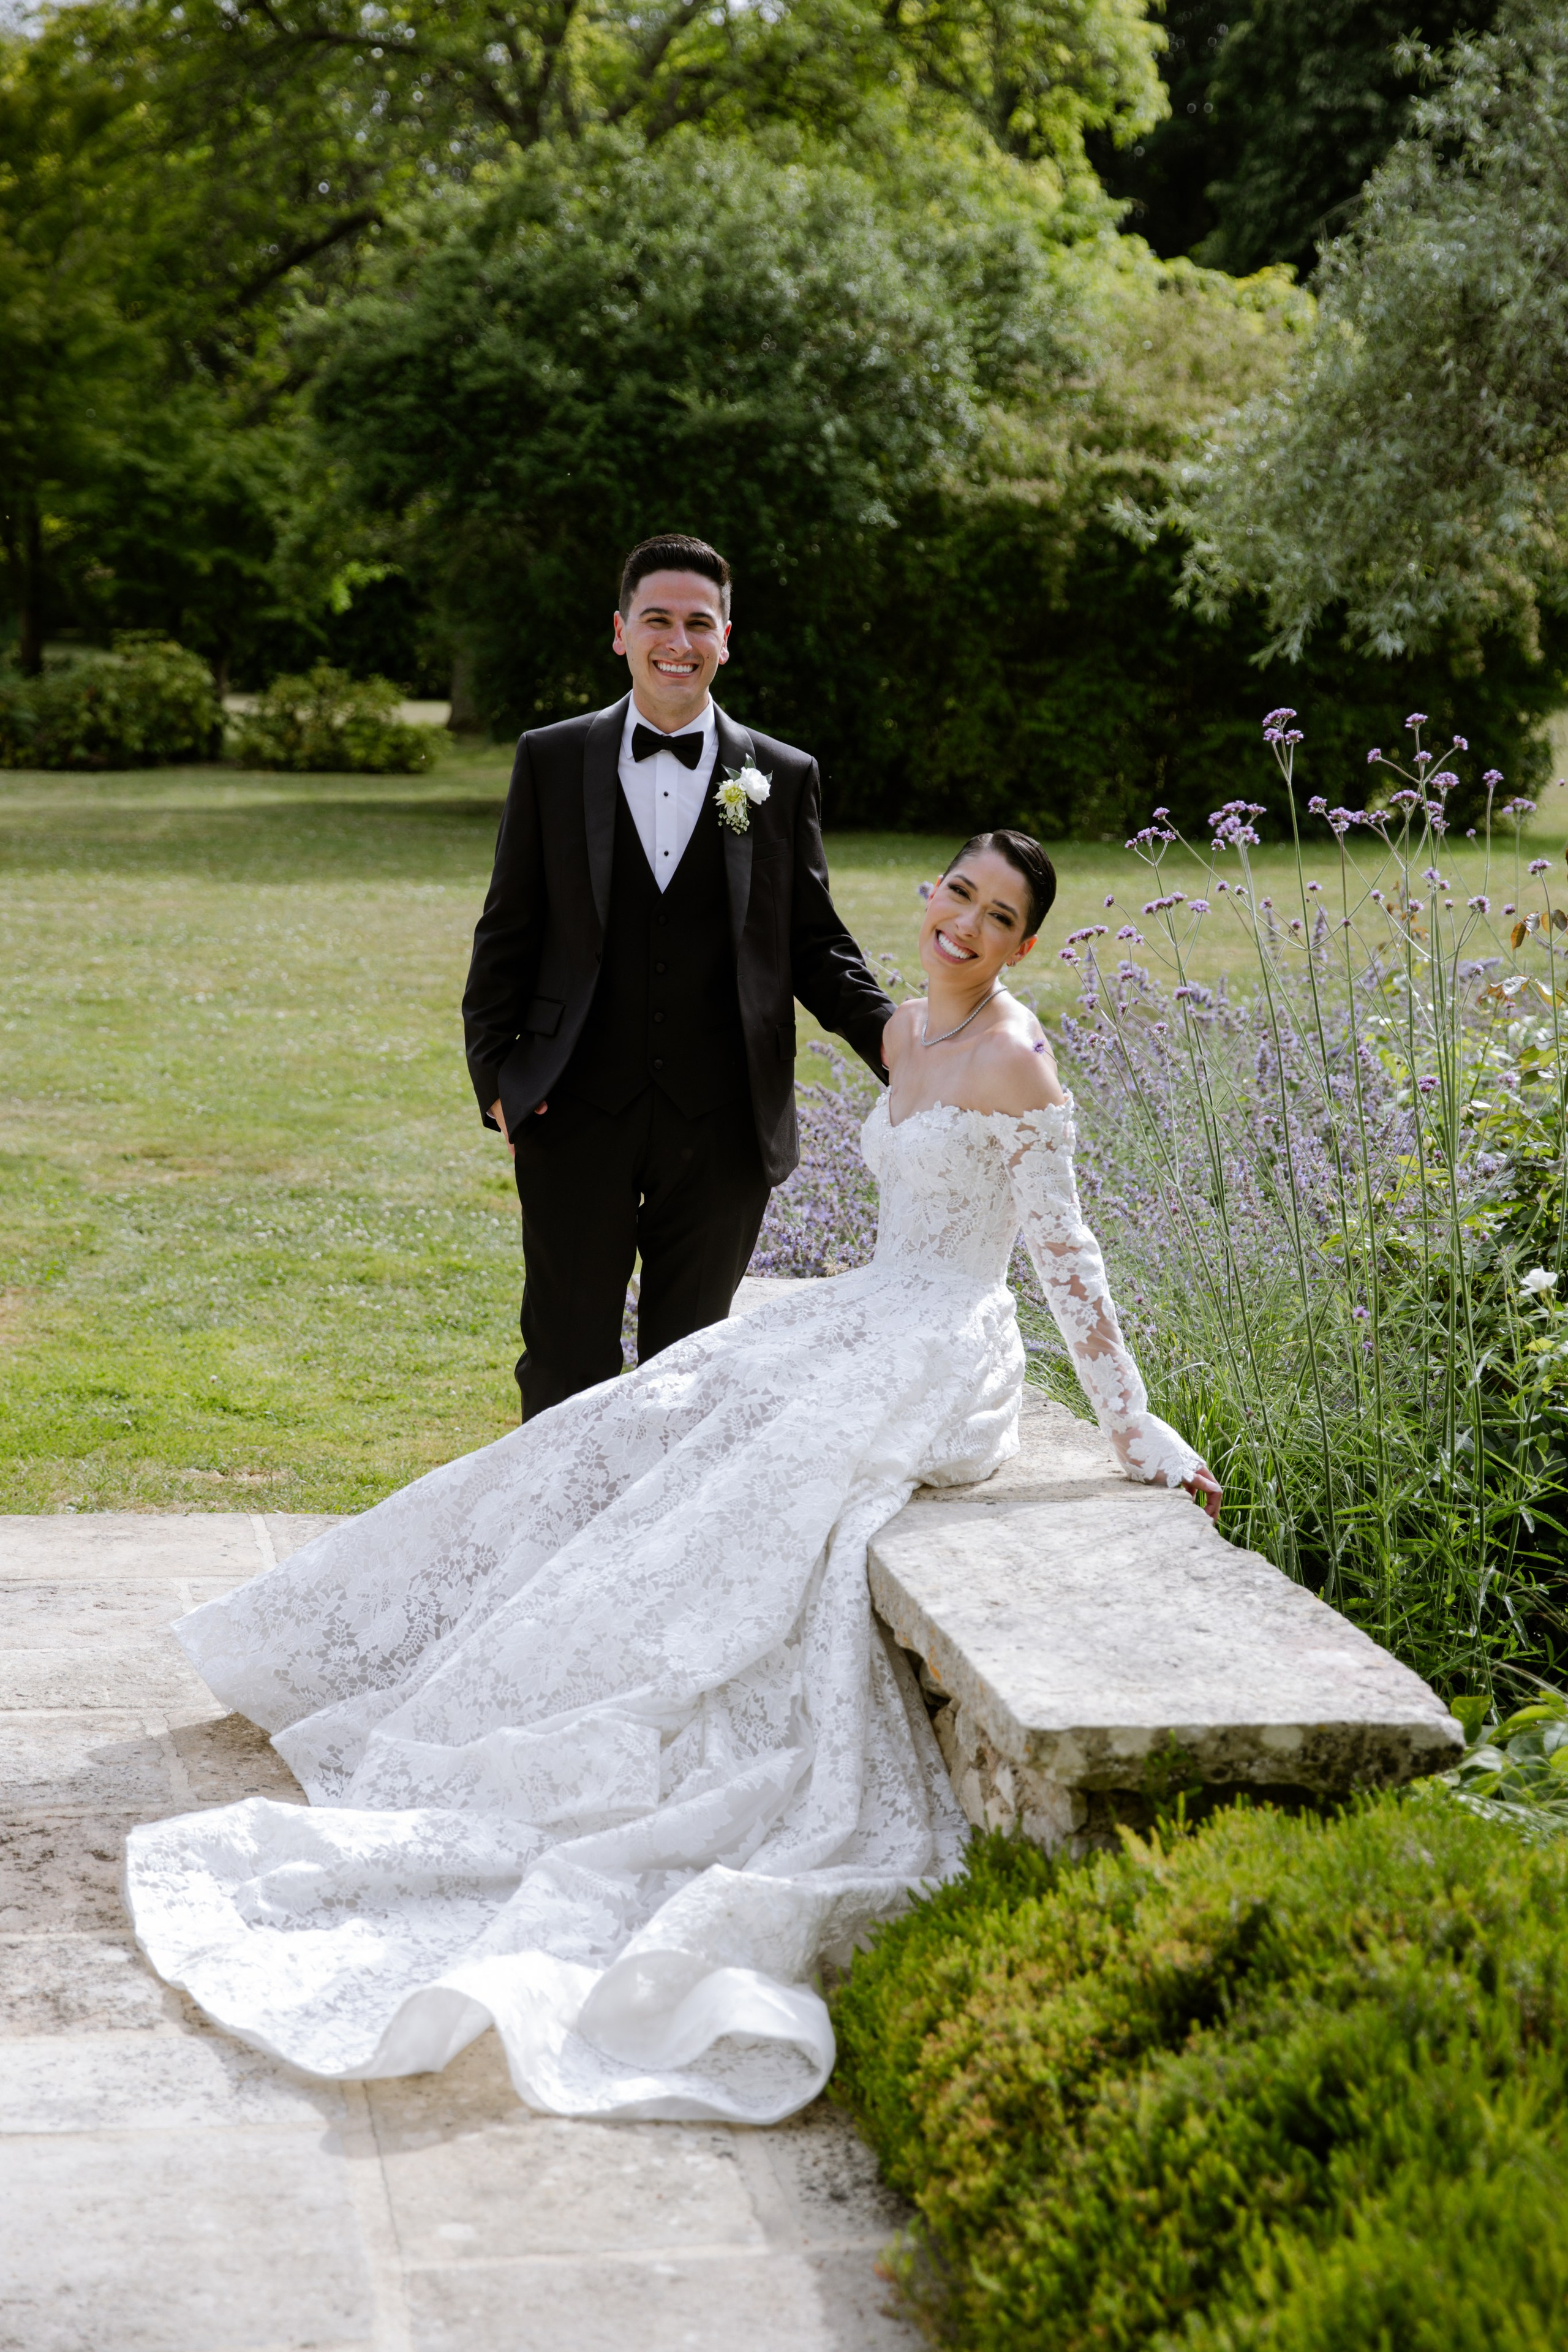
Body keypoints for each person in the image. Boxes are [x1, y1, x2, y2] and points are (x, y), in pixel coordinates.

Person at [125, 828, 1219, 2127]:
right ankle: (497, 1658)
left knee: (753, 1471)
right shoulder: (910, 1036)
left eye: (998, 917)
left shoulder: (1014, 1060)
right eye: (958, 896)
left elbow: (1066, 1253)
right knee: (653, 1415)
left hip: (941, 1347)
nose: (967, 925)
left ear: (1025, 945)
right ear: (928, 898)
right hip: (871, 1307)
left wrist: (1131, 1423)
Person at [461, 533, 894, 1419]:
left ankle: (660, 1556)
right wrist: (498, 1080)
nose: (678, 641)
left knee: (690, 1370)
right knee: (563, 1360)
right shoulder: (551, 758)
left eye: (700, 623)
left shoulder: (779, 774)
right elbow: (507, 928)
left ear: (726, 639)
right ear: (619, 632)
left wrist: (901, 1043)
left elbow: (814, 943)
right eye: (657, 619)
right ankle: (555, 1549)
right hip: (573, 1108)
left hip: (724, 1119)